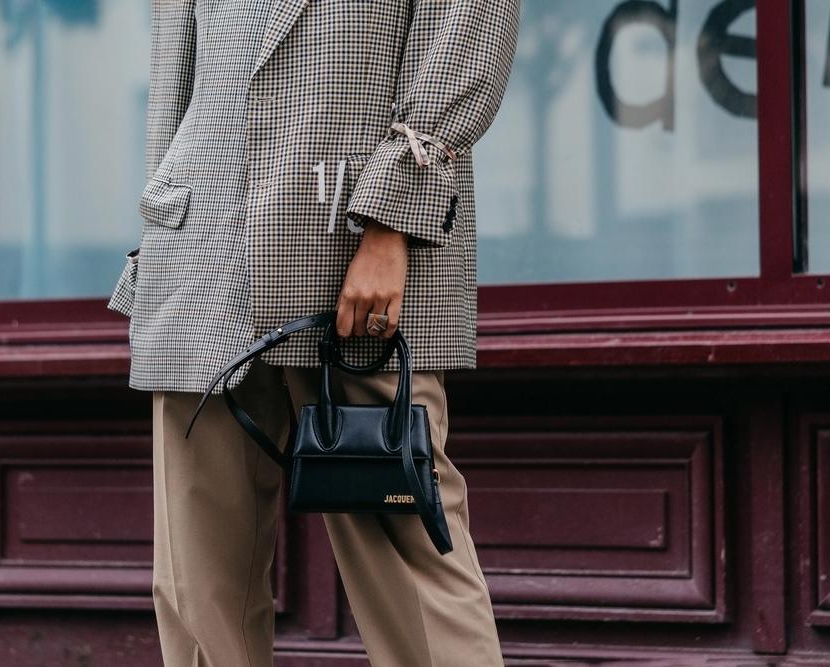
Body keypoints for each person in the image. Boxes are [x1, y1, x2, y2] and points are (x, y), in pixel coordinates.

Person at [107, 1, 521, 664]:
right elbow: (177, 75)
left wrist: (393, 222)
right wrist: (160, 248)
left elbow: (466, 27)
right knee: (198, 595)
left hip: (351, 252)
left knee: (416, 570)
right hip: (201, 258)